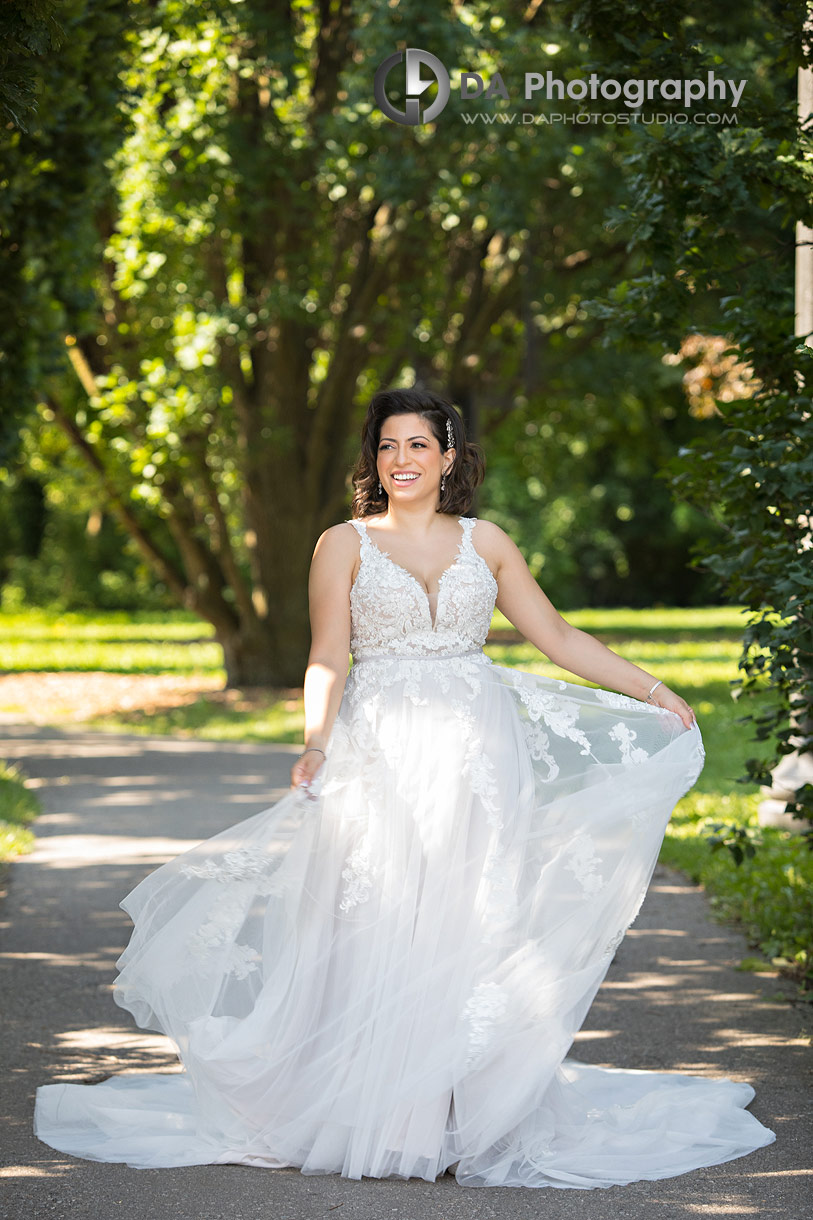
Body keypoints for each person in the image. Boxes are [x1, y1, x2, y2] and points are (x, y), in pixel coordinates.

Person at [34, 386, 775, 1188]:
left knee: (470, 915)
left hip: (477, 750)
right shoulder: (342, 543)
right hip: (381, 745)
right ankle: (378, 1111)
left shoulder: (486, 542)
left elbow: (556, 635)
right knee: (378, 914)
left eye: (418, 446)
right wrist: (315, 741)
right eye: (387, 447)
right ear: (372, 459)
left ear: (448, 457)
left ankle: (465, 1111)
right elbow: (327, 654)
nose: (401, 461)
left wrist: (653, 691)